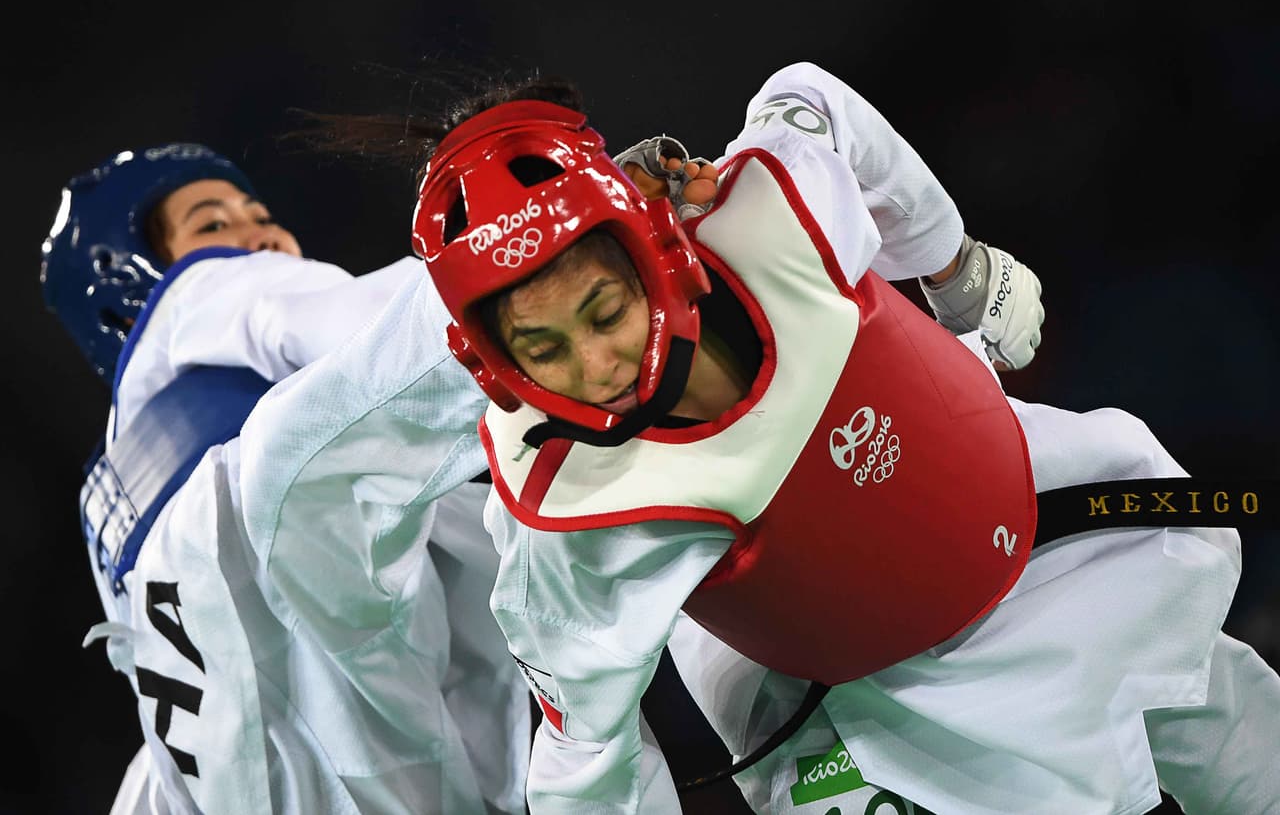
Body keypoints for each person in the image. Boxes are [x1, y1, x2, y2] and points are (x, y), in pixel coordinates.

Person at [390, 60, 1280, 814]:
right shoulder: (568, 500)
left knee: (1249, 746)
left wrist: (958, 267)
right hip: (891, 712)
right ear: (492, 362)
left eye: (605, 311)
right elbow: (584, 754)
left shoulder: (771, 211)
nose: (598, 365)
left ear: (653, 249)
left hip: (1062, 533)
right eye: (544, 350)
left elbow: (810, 95)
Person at [40, 142, 532, 814]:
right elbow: (377, 325)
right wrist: (558, 244)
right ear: (130, 295)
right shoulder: (205, 289)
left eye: (262, 215)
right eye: (213, 223)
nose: (261, 235)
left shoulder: (109, 497)